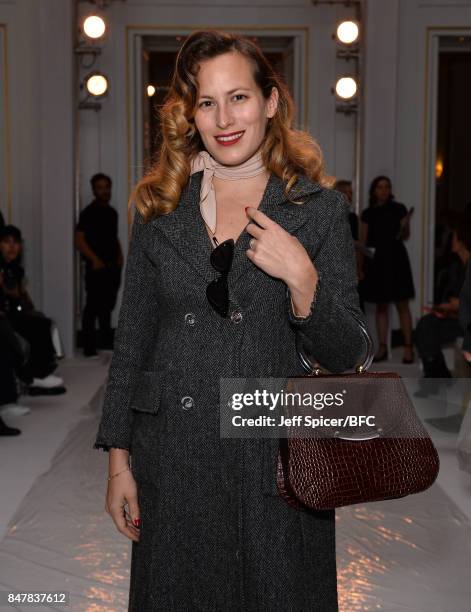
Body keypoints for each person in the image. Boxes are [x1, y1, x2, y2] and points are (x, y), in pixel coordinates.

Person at [93, 30, 365, 611]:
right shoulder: (159, 208)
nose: (224, 118)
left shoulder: (315, 210)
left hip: (275, 463)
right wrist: (119, 463)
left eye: (239, 97)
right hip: (175, 456)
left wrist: (304, 281)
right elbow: (134, 338)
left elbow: (349, 354)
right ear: (191, 114)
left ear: (271, 101)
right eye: (207, 102)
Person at [0, 225, 65, 394]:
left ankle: (41, 373)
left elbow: (20, 295)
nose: (11, 247)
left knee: (41, 321)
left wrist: (26, 303)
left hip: (14, 314)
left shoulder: (15, 269)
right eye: (6, 242)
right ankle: (35, 376)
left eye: (15, 243)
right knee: (35, 325)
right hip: (4, 317)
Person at [359, 175, 415, 363]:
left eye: (387, 187)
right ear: (374, 190)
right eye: (380, 187)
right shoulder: (367, 213)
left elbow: (405, 235)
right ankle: (382, 347)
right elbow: (363, 242)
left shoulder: (399, 209)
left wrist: (405, 225)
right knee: (381, 306)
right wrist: (360, 267)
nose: (384, 190)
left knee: (402, 305)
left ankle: (409, 348)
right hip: (378, 263)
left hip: (398, 261)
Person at [414, 221, 470, 396]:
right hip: (459, 317)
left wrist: (456, 305)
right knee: (426, 324)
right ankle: (438, 375)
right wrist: (448, 307)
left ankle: (437, 377)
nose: (450, 241)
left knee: (427, 327)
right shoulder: (457, 266)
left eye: (453, 238)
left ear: (461, 241)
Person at [75, 173, 123, 357]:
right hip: (96, 269)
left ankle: (104, 342)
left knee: (107, 306)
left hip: (112, 267)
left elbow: (113, 238)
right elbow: (78, 240)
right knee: (92, 306)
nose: (104, 191)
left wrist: (120, 258)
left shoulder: (112, 213)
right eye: (100, 187)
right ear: (94, 190)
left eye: (106, 187)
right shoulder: (88, 213)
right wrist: (94, 260)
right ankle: (88, 346)